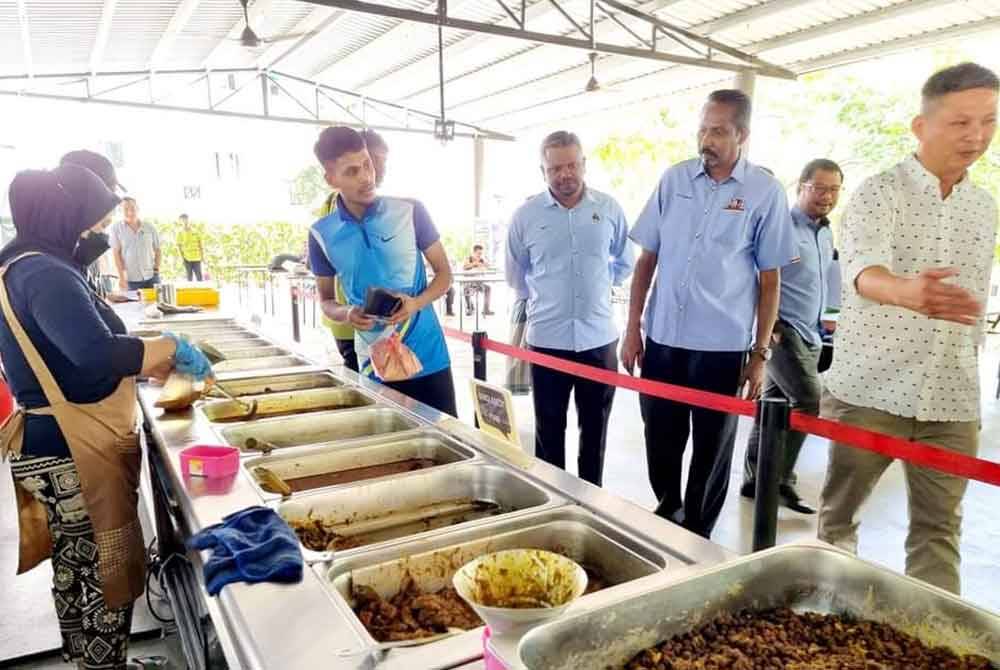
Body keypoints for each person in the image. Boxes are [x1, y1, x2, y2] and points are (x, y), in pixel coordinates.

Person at [0, 165, 213, 670]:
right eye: (89, 221)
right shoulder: (45, 273)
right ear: (62, 213)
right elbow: (91, 353)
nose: (93, 231)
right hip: (73, 451)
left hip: (50, 441)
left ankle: (91, 663)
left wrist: (146, 365)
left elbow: (64, 355)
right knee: (102, 570)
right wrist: (167, 347)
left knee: (75, 568)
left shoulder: (22, 265)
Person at [817, 63, 999, 595]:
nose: (978, 136)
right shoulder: (879, 192)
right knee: (839, 521)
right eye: (961, 122)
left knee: (939, 531)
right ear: (921, 127)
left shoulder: (983, 206)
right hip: (871, 390)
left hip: (951, 398)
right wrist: (905, 292)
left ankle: (934, 638)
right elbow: (861, 270)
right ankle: (824, 616)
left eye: (988, 122)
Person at [622, 89, 795, 538]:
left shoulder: (764, 193)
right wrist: (632, 329)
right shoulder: (674, 180)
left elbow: (769, 280)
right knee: (660, 436)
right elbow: (646, 260)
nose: (707, 139)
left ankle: (698, 530)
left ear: (743, 135)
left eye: (717, 130)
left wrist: (760, 355)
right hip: (662, 339)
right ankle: (668, 506)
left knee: (712, 448)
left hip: (722, 346)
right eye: (703, 128)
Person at [507, 130, 634, 486]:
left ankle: (593, 503)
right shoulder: (526, 215)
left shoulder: (608, 208)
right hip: (547, 341)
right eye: (555, 168)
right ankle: (552, 498)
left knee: (595, 430)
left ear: (583, 164)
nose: (565, 174)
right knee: (549, 431)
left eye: (572, 165)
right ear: (543, 171)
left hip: (598, 339)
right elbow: (517, 276)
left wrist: (597, 285)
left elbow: (624, 263)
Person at [308, 126, 457, 416]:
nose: (366, 177)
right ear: (330, 178)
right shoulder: (321, 234)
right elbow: (325, 300)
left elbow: (444, 274)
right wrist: (347, 313)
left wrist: (415, 303)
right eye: (352, 171)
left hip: (429, 357)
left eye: (367, 164)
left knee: (449, 445)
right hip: (374, 366)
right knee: (390, 450)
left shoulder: (410, 210)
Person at [740, 158, 844, 515]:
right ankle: (780, 481)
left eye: (833, 189)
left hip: (811, 332)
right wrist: (770, 331)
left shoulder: (826, 230)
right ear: (801, 187)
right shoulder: (780, 224)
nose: (826, 196)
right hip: (784, 333)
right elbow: (759, 278)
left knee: (772, 407)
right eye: (819, 188)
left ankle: (755, 480)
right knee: (810, 403)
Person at [320, 128, 391, 373]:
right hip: (353, 321)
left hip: (375, 323)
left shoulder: (377, 206)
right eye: (379, 160)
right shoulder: (338, 209)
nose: (380, 169)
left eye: (374, 163)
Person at [59, 150, 126, 297]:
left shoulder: (81, 247)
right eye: (109, 194)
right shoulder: (52, 268)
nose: (112, 209)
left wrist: (102, 299)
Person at [109, 196, 160, 290]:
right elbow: (116, 254)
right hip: (131, 280)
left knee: (157, 304)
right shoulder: (116, 229)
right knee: (134, 304)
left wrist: (156, 270)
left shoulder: (149, 227)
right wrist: (121, 277)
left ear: (137, 208)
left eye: (132, 208)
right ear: (120, 211)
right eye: (126, 209)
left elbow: (157, 249)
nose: (130, 212)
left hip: (152, 277)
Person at [462, 244, 494, 316]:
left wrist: (485, 264)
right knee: (466, 289)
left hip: (479, 283)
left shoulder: (482, 260)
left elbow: (488, 266)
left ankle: (486, 309)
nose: (480, 255)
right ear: (474, 252)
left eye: (481, 253)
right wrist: (475, 264)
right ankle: (470, 308)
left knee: (488, 288)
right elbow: (465, 267)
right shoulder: (469, 258)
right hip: (469, 283)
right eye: (478, 253)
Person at [176, 214, 204, 281]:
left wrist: (202, 256)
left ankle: (200, 290)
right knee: (189, 277)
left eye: (186, 220)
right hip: (187, 258)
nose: (185, 222)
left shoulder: (196, 232)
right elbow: (179, 247)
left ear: (189, 220)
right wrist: (182, 258)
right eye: (182, 220)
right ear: (180, 222)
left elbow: (200, 245)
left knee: (199, 277)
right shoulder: (180, 233)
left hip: (197, 258)